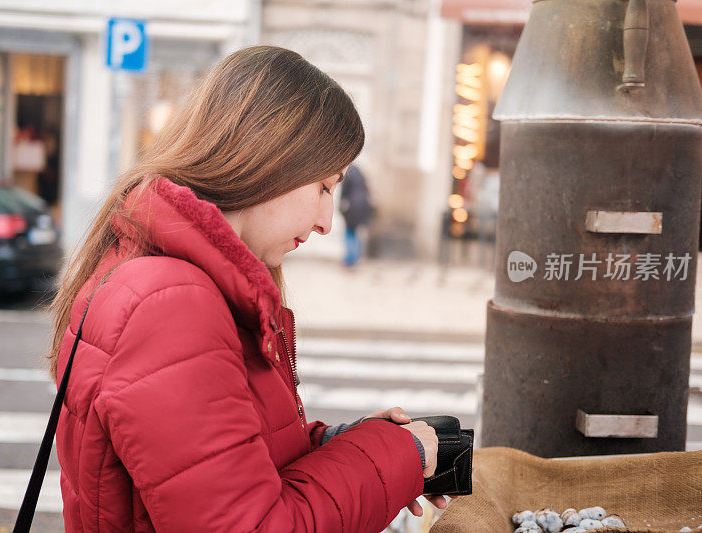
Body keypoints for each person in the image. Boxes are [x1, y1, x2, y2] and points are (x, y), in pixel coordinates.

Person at [48, 46, 449, 532]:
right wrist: (395, 455)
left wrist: (350, 446)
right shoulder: (172, 305)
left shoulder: (166, 276)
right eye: (324, 186)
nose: (326, 221)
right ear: (271, 158)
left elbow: (224, 469)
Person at [339, 163, 373, 267]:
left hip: (353, 204)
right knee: (358, 232)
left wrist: (341, 205)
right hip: (364, 204)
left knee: (350, 231)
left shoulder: (348, 171)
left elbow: (344, 192)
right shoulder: (359, 171)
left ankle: (350, 260)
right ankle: (357, 258)